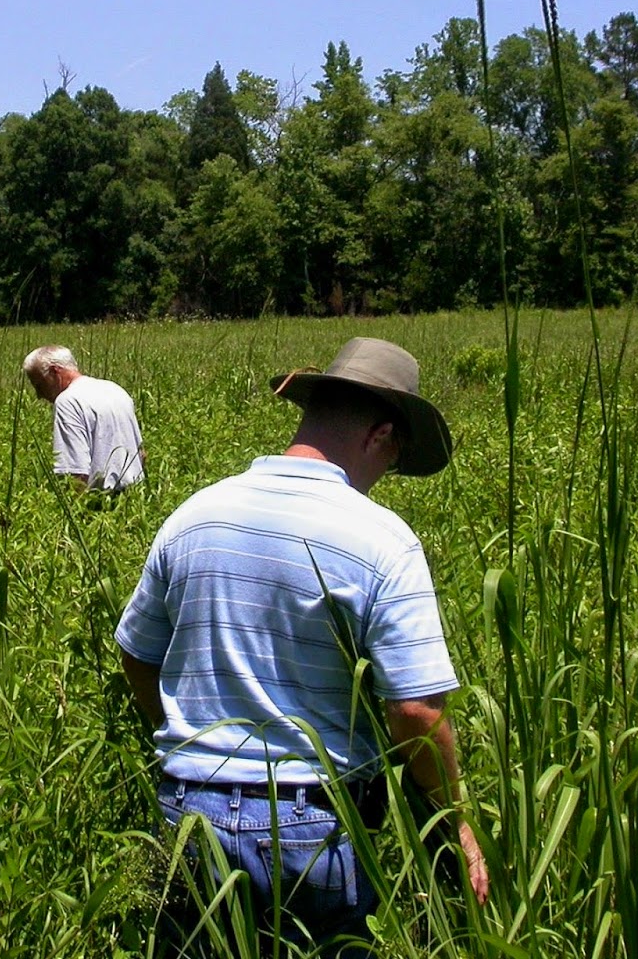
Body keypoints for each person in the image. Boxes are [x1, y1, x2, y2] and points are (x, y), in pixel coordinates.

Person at [113, 336, 488, 947]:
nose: (386, 475)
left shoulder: (195, 514)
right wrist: (458, 828)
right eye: (393, 459)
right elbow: (416, 711)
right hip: (311, 826)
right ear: (381, 437)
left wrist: (181, 733)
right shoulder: (383, 540)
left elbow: (135, 653)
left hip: (187, 815)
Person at [22, 345, 145, 493]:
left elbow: (75, 473)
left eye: (39, 385)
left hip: (99, 505)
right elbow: (142, 455)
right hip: (135, 497)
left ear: (55, 372)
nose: (39, 395)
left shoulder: (68, 401)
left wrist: (78, 512)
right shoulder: (115, 389)